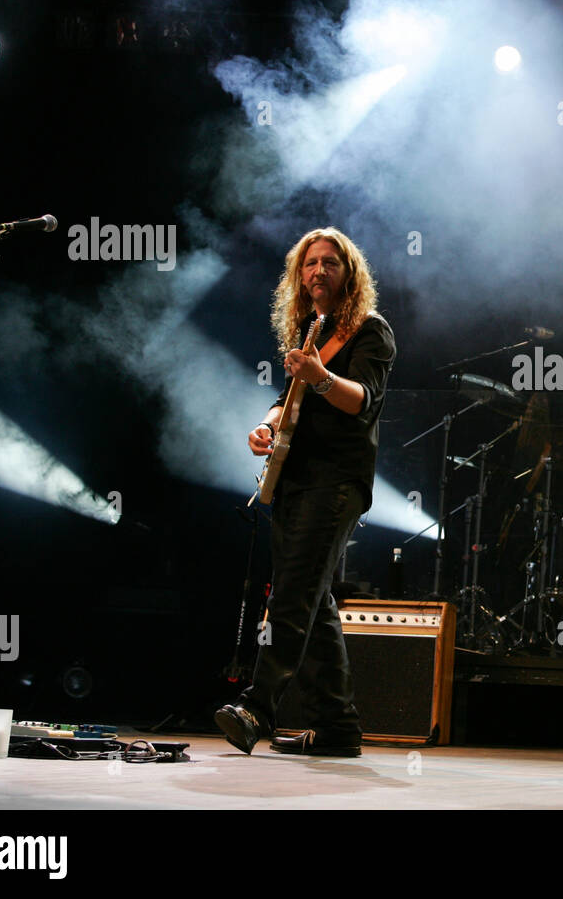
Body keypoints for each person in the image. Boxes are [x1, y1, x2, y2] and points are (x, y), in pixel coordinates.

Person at [215, 227, 396, 757]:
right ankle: (338, 727)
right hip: (293, 480)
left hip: (336, 482)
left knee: (292, 597)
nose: (319, 270)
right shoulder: (308, 330)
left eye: (330, 262)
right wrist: (267, 425)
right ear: (299, 275)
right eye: (310, 263)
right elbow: (285, 396)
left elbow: (363, 399)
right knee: (314, 607)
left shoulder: (370, 330)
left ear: (349, 273)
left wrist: (319, 377)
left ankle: (257, 706)